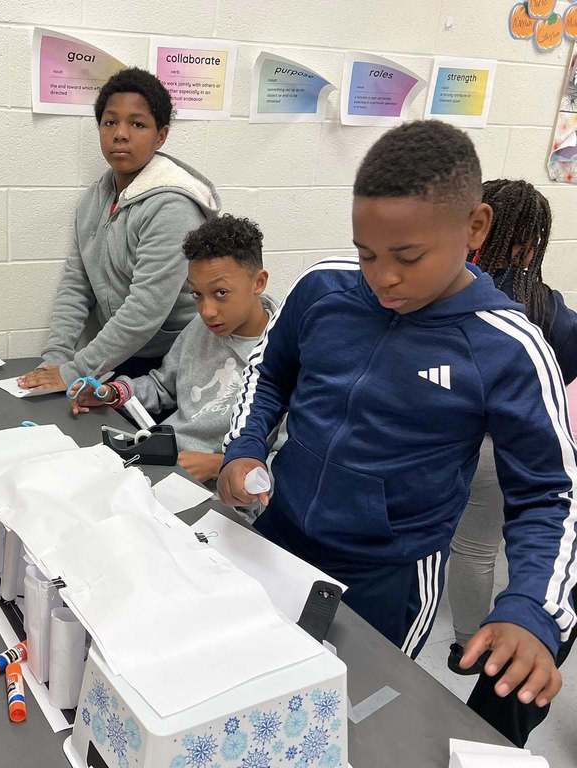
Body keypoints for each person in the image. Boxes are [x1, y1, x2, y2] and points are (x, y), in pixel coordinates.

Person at [218, 121, 574, 714]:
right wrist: (246, 446)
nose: (383, 276)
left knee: (349, 717)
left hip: (387, 577)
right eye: (367, 254)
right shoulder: (323, 289)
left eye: (408, 257)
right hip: (278, 537)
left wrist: (531, 607)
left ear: (475, 228)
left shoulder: (507, 345)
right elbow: (271, 372)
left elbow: (549, 495)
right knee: (247, 687)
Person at [445, 179, 577, 745]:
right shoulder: (551, 307)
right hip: (511, 449)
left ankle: (466, 639)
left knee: (464, 546)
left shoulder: (459, 288)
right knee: (488, 546)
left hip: (461, 444)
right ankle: (481, 644)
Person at [18, 67, 220, 393]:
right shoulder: (93, 201)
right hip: (119, 356)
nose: (120, 134)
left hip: (174, 365)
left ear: (161, 135)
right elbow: (76, 285)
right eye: (110, 122)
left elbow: (145, 309)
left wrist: (75, 371)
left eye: (137, 124)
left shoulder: (173, 207)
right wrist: (56, 358)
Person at [70, 214, 276, 484]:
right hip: (164, 462)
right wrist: (112, 393)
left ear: (258, 283)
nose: (207, 311)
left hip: (222, 488)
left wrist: (221, 464)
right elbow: (163, 387)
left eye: (221, 293)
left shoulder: (287, 351)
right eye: (197, 294)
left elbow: (296, 458)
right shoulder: (200, 328)